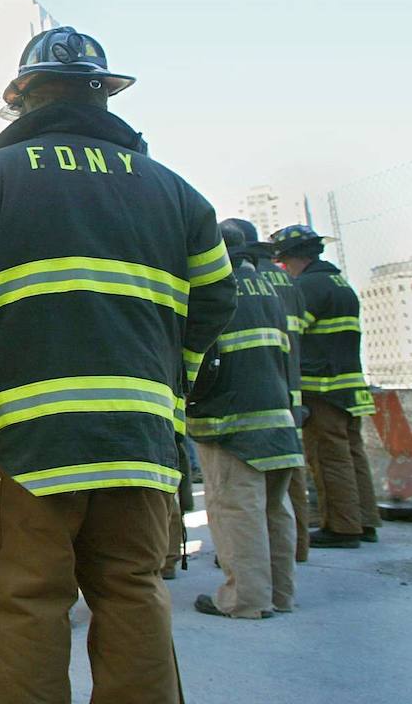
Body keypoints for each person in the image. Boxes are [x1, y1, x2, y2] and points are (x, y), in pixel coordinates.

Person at [0, 27, 235, 704]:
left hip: (27, 446)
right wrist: (170, 387)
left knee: (20, 605)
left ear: (23, 100)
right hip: (138, 443)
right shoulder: (179, 195)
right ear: (104, 96)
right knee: (133, 594)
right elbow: (215, 302)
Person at [187, 221, 304, 618]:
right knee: (275, 508)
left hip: (232, 424)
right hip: (277, 419)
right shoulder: (270, 290)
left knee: (237, 509)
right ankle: (281, 594)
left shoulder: (215, 289)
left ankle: (246, 600)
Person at [271, 224, 379, 548]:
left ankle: (343, 529)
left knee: (329, 457)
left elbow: (290, 334)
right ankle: (365, 520)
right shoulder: (338, 281)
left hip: (323, 388)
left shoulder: (308, 286)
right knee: (352, 453)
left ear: (289, 257)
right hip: (349, 384)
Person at [229, 218, 311, 561]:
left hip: (243, 407)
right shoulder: (277, 284)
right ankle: (292, 562)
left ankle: (250, 590)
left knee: (244, 503)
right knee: (283, 497)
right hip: (286, 395)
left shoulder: (226, 286)